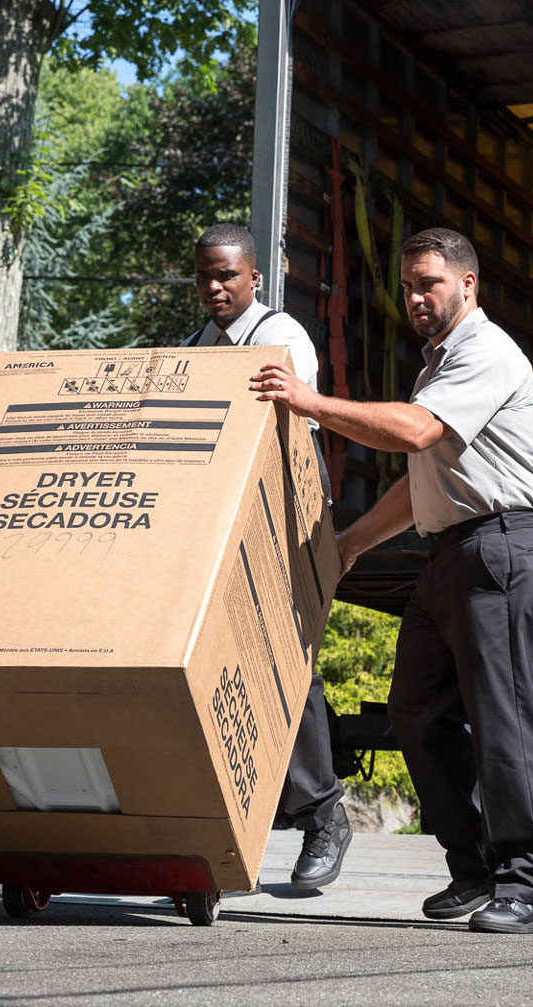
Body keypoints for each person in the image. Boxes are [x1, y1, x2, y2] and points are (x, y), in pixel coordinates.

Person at [251, 227, 533, 934]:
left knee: (503, 718)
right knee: (415, 710)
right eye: (409, 287)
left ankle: (527, 885)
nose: (416, 298)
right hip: (451, 553)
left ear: (468, 283)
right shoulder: (437, 368)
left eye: (429, 284)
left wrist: (309, 402)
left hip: (500, 548)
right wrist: (351, 543)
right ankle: (475, 869)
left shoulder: (486, 352)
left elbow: (415, 433)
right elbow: (423, 479)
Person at [186, 222, 353, 891]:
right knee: (211, 663)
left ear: (254, 277)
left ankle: (324, 817)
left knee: (286, 664)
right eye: (205, 275)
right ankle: (218, 823)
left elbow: (283, 426)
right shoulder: (195, 347)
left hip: (281, 517)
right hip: (215, 522)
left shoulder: (281, 337)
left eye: (227, 274)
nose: (215, 287)